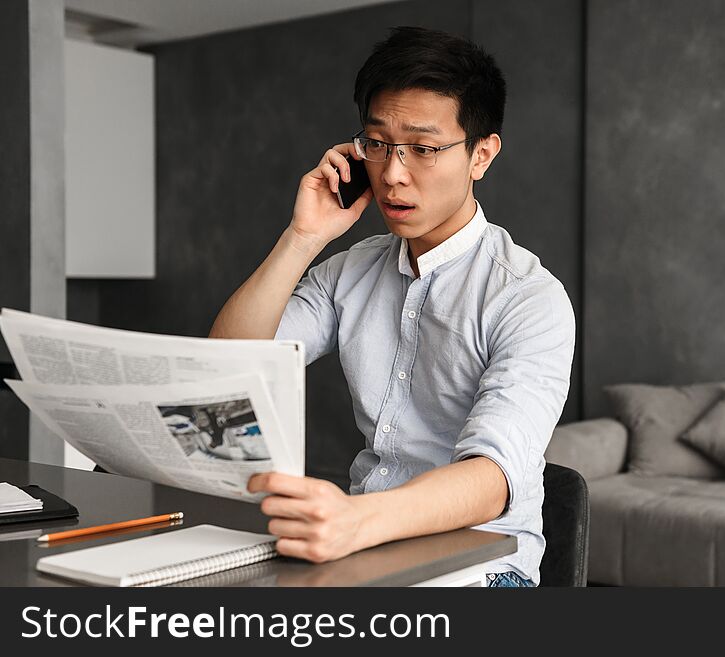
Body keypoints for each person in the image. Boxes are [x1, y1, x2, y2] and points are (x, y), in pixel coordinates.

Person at [209, 26, 575, 587]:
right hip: (363, 552)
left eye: (424, 149)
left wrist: (353, 520)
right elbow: (227, 370)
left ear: (482, 154)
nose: (393, 173)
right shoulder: (350, 270)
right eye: (377, 144)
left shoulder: (529, 299)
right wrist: (304, 236)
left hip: (484, 568)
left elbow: (491, 476)